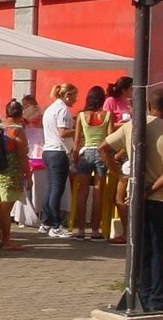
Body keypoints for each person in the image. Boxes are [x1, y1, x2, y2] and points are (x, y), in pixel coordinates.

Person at [100, 86, 163, 315]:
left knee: (143, 250)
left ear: (148, 105)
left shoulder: (132, 127)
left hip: (137, 199)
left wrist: (120, 175)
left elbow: (104, 147)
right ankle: (158, 301)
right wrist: (152, 188)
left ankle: (144, 295)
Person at [72, 85, 112, 240]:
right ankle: (95, 230)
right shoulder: (107, 115)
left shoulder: (81, 116)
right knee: (98, 192)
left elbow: (76, 141)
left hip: (85, 153)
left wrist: (75, 157)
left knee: (82, 193)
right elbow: (109, 139)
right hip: (101, 153)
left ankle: (81, 229)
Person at [0, 99, 30, 250]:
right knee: (6, 209)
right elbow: (22, 155)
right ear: (20, 113)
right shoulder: (17, 130)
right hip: (11, 171)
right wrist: (28, 174)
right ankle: (6, 241)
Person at [40, 83, 78, 238]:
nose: (76, 99)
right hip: (58, 151)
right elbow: (62, 132)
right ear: (67, 95)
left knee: (50, 189)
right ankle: (56, 225)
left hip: (49, 150)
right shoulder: (62, 110)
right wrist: (79, 130)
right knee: (56, 190)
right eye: (74, 95)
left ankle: (46, 222)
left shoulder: (51, 108)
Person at [104, 76, 134, 245]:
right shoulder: (110, 102)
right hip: (116, 145)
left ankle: (128, 231)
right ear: (125, 89)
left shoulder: (130, 104)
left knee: (122, 196)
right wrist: (122, 125)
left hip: (124, 150)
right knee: (119, 196)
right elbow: (108, 124)